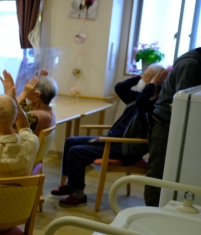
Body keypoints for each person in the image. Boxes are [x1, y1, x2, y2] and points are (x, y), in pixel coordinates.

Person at [52, 65, 168, 207]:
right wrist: (140, 77)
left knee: (76, 152)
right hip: (113, 141)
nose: (142, 78)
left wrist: (152, 83)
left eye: (146, 76)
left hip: (126, 147)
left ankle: (78, 194)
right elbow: (120, 88)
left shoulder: (155, 105)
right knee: (71, 141)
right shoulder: (139, 97)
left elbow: (142, 104)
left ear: (155, 82)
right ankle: (71, 185)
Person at [145, 48, 201, 206]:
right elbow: (185, 106)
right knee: (158, 175)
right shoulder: (190, 64)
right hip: (165, 126)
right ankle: (152, 215)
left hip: (173, 125)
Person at [16, 69, 58, 136]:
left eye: (29, 90)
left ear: (37, 96)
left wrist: (23, 94)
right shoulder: (49, 111)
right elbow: (23, 108)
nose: (27, 92)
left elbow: (5, 119)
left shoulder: (33, 117)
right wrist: (42, 83)